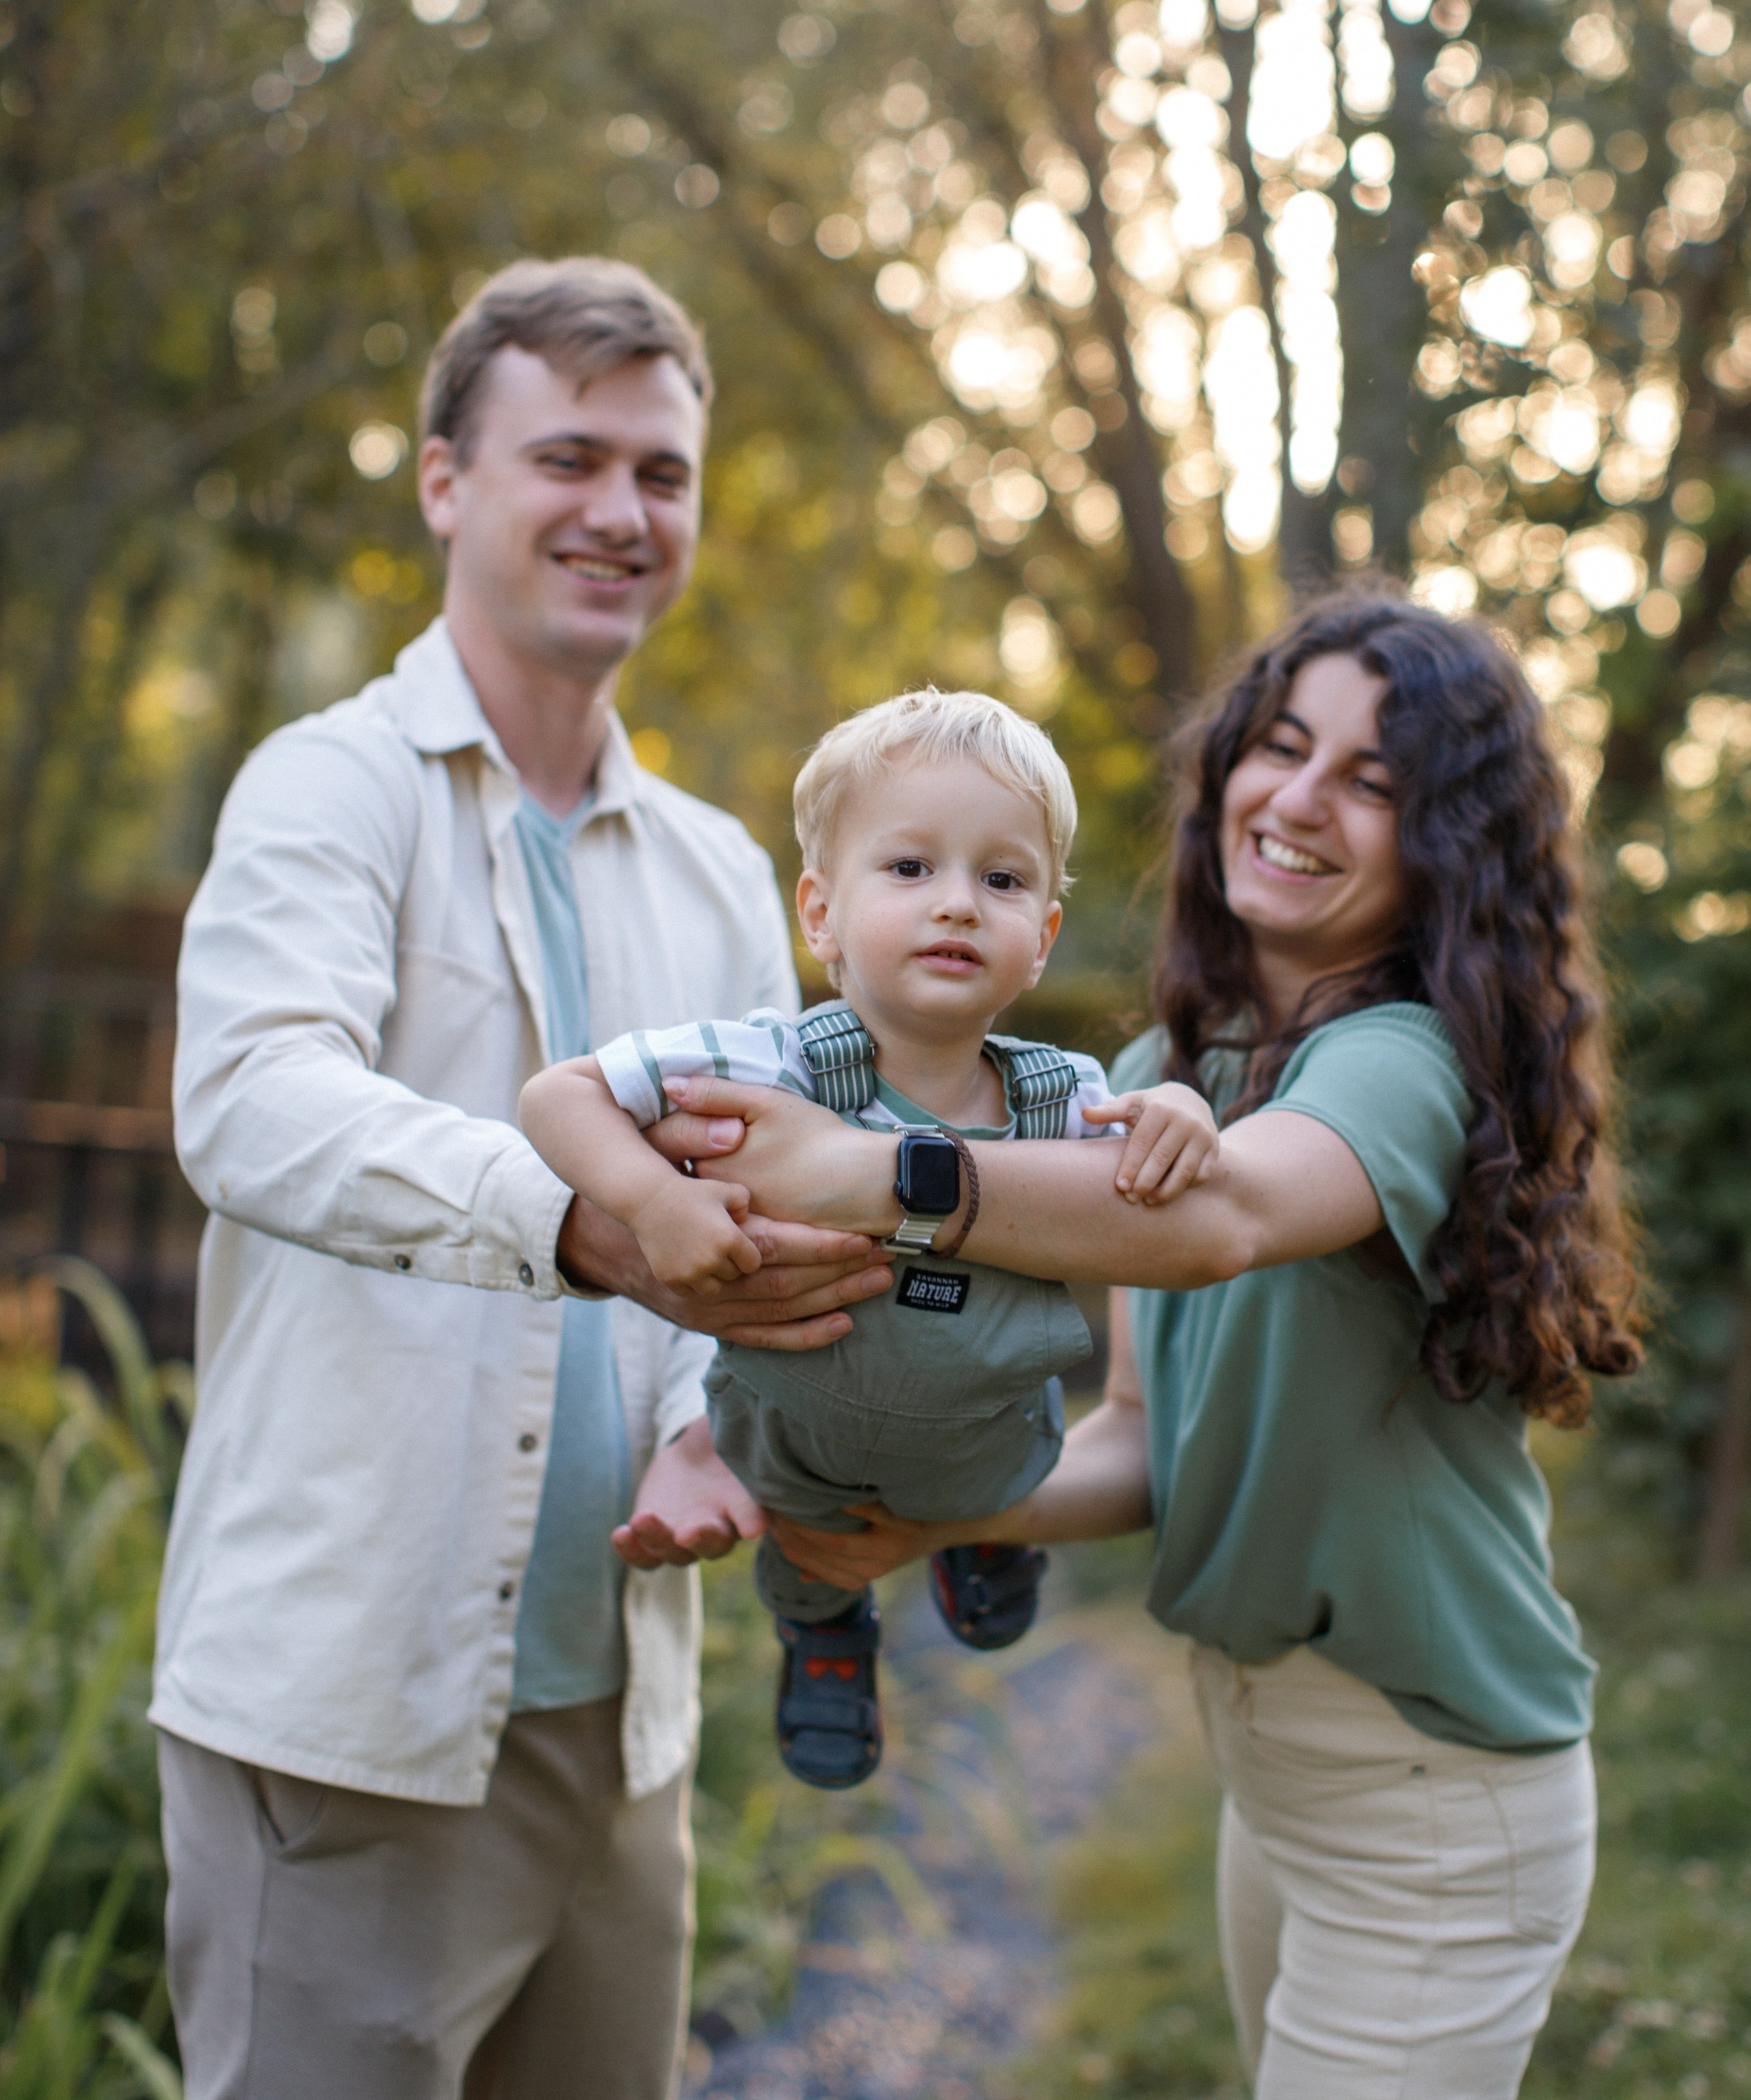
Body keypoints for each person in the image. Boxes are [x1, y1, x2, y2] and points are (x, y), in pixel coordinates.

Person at [639, 591, 1645, 2100]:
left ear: (1443, 840)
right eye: (1280, 746)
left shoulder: (1408, 1058)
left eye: (1371, 780)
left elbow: (1217, 1220)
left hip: (1434, 1793)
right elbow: (1131, 1438)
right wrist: (909, 1522)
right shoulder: (1156, 1078)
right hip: (1273, 1773)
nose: (1297, 799)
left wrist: (863, 1172)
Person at [157, 256, 885, 2100]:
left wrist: (720, 1415)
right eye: (570, 457)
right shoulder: (328, 790)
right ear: (443, 481)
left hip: (620, 1723)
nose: (620, 513)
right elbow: (251, 1100)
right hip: (348, 1718)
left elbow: (765, 1218)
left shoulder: (725, 870)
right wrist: (579, 1214)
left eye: (661, 473)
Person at [519, 689, 1217, 1788]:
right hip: (806, 1426)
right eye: (909, 869)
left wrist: (1185, 1116)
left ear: (1040, 940)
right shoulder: (766, 1062)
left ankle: (988, 1530)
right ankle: (827, 1632)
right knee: (805, 1527)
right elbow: (557, 1097)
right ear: (819, 913)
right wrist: (655, 1206)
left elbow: (1151, 1186)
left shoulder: (1066, 1092)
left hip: (986, 1432)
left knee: (1001, 1449)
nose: (956, 904)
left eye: (1001, 878)